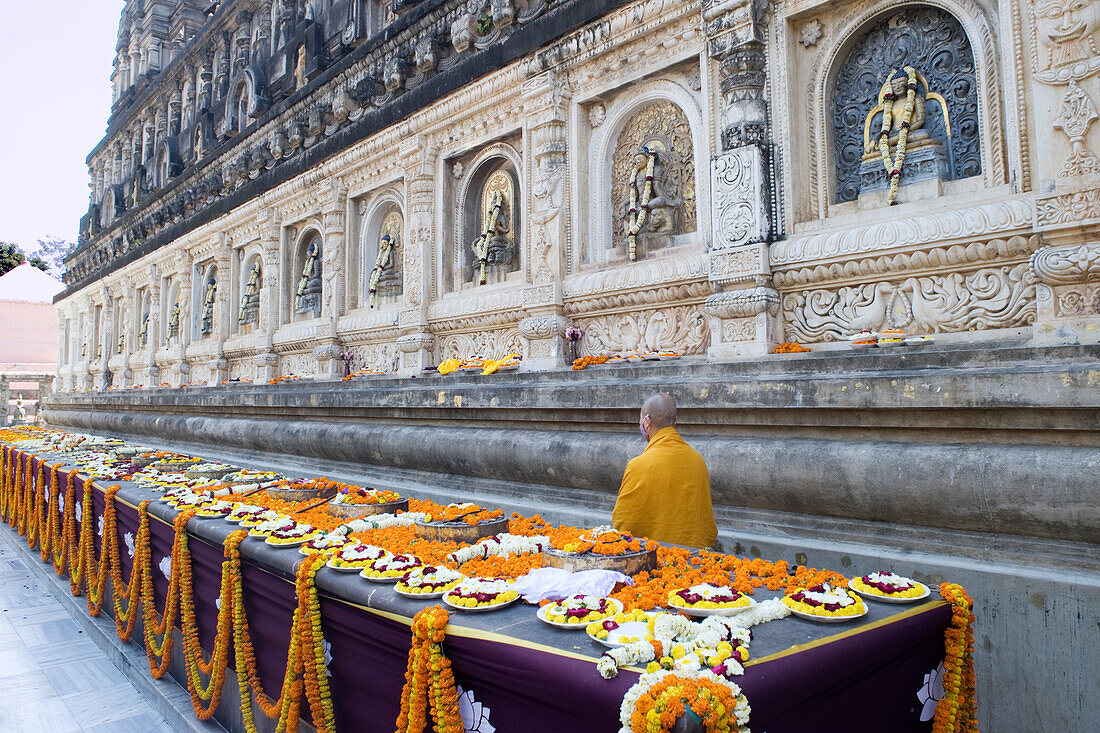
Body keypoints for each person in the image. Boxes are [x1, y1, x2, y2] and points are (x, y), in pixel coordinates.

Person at [611, 393, 717, 549]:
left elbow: (623, 527)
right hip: (694, 558)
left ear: (646, 422)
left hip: (653, 560)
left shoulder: (638, 465)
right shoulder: (697, 460)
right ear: (675, 422)